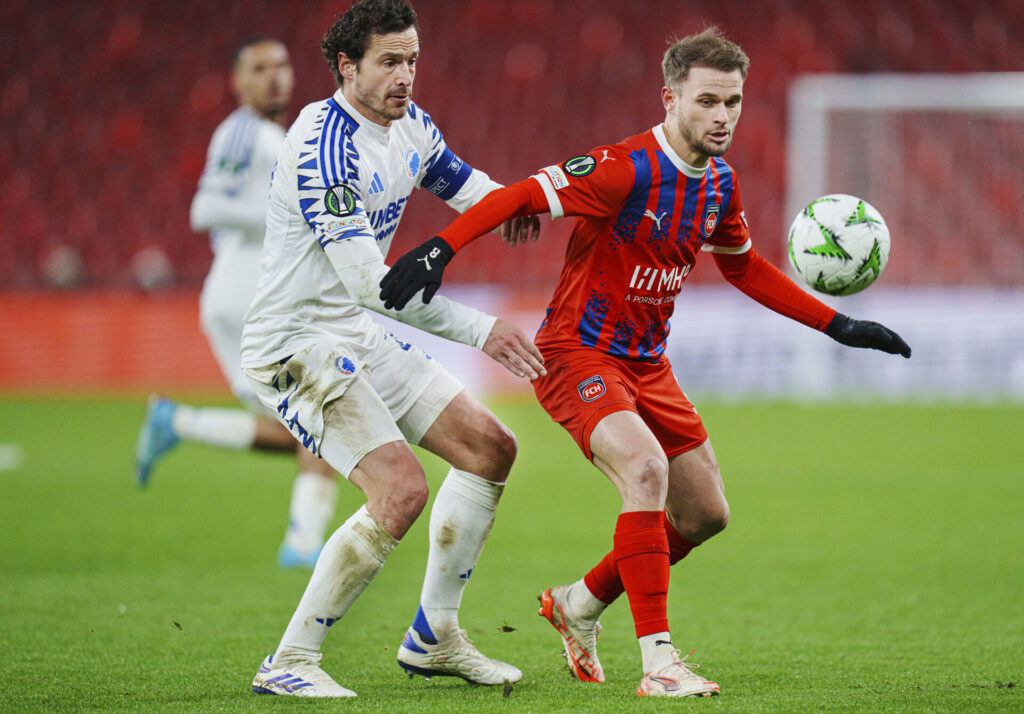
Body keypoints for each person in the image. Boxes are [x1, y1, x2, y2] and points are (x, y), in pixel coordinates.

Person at [380, 27, 912, 699]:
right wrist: (439, 248)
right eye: (708, 101)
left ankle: (578, 603)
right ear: (671, 98)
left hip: (648, 365)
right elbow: (518, 196)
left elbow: (743, 268)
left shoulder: (718, 182)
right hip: (578, 354)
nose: (722, 117)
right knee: (644, 467)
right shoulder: (623, 169)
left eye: (734, 103)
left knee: (705, 515)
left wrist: (838, 324)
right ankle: (660, 665)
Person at [242, 0, 544, 698]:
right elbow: (374, 286)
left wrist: (527, 205)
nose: (405, 74)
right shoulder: (325, 149)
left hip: (350, 331)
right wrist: (483, 329)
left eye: (411, 59)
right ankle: (290, 661)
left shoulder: (409, 125)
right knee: (401, 490)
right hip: (295, 343)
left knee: (491, 448)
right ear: (347, 66)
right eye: (388, 61)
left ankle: (434, 637)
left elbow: (466, 186)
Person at [132, 36, 339, 569]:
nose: (274, 76)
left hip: (251, 296)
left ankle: (178, 424)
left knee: (308, 424)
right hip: (250, 297)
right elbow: (205, 208)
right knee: (324, 415)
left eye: (282, 66)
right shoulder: (244, 131)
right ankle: (302, 544)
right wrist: (292, 217)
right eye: (259, 68)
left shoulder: (271, 135)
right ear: (238, 81)